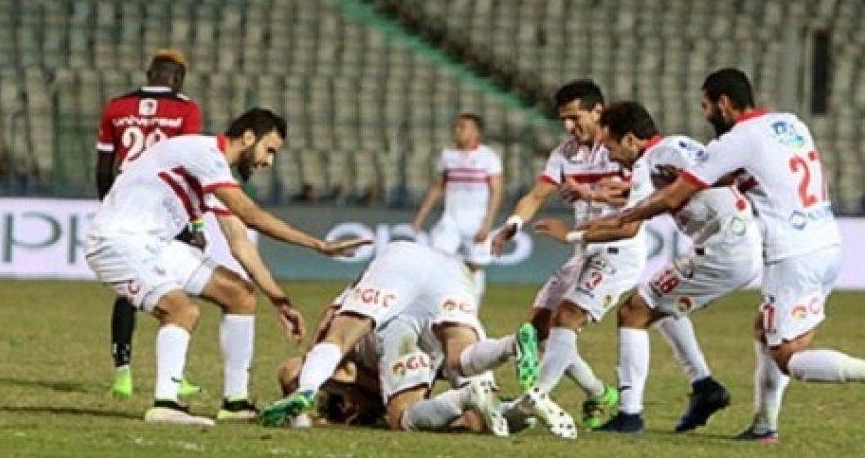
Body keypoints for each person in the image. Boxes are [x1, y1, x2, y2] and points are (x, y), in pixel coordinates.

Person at [618, 68, 865, 441]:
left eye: (706, 106)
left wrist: (625, 215)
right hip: (827, 242)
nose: (706, 115)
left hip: (792, 255)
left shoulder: (735, 141)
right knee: (765, 329)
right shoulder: (791, 123)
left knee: (788, 356)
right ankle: (763, 425)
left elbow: (676, 195)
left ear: (724, 103)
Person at [85, 108, 369, 425]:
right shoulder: (203, 154)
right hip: (116, 242)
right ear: (248, 137)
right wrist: (318, 245)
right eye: (269, 150)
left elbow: (240, 243)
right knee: (181, 310)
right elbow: (251, 216)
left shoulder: (215, 174)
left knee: (239, 294)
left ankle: (235, 404)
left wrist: (279, 300)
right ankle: (165, 404)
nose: (268, 162)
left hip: (155, 245)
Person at [544, 101, 761, 434]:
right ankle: (704, 386)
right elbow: (663, 193)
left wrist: (571, 235)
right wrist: (602, 198)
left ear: (631, 140)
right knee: (660, 301)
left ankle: (630, 415)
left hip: (723, 250)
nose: (611, 156)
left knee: (634, 311)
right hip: (742, 241)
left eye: (611, 147)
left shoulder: (649, 162)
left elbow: (629, 226)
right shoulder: (677, 145)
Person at [257, 240, 542, 433]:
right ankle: (517, 387)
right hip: (449, 271)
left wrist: (310, 401)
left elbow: (289, 370)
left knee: (402, 416)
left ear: (346, 404)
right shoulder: (352, 301)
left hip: (400, 324)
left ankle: (307, 390)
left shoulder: (348, 374)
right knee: (474, 403)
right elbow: (328, 322)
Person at [489, 79, 636, 436]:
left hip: (619, 250)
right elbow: (537, 195)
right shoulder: (565, 154)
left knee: (567, 316)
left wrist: (593, 194)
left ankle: (533, 399)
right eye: (564, 120)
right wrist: (513, 223)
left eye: (575, 117)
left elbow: (639, 197)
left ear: (598, 111)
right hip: (583, 250)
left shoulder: (622, 148)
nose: (569, 126)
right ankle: (599, 393)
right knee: (536, 330)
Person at [95, 49, 206, 400]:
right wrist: (197, 222)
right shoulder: (186, 110)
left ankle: (122, 374)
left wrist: (110, 207)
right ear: (178, 78)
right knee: (173, 290)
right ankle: (174, 375)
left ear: (149, 74)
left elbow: (103, 168)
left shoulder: (117, 107)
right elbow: (188, 168)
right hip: (165, 207)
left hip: (125, 206)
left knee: (129, 290)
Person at [411, 113, 504, 305]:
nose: (457, 131)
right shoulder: (448, 155)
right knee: (437, 262)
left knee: (475, 265)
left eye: (462, 127)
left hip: (477, 220)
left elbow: (496, 192)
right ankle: (436, 306)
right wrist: (421, 216)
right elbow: (438, 186)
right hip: (451, 219)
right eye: (456, 127)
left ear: (476, 132)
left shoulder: (488, 157)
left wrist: (488, 223)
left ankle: (472, 308)